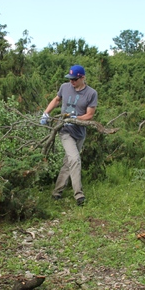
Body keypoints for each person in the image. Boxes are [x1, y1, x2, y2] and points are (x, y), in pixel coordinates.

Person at [40, 65, 98, 206]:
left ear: (82, 78)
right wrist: (46, 113)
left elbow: (89, 115)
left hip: (79, 133)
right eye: (70, 79)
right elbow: (57, 100)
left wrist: (76, 118)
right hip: (65, 130)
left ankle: (57, 192)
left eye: (75, 79)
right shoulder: (64, 87)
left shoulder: (91, 93)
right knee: (75, 159)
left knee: (69, 162)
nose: (72, 82)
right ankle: (79, 195)